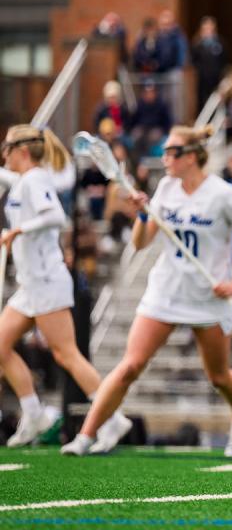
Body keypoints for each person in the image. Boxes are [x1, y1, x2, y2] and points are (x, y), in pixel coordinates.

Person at [62, 126, 232, 457]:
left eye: (171, 152)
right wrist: (144, 215)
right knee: (131, 365)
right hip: (166, 291)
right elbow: (141, 242)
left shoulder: (223, 194)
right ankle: (86, 436)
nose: (165, 159)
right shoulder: (166, 189)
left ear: (191, 157)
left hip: (207, 296)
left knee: (218, 377)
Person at [0, 127, 129, 446]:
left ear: (22, 151)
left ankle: (112, 418)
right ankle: (33, 413)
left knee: (67, 354)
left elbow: (56, 216)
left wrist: (18, 231)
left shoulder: (36, 179)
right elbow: (8, 178)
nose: (3, 153)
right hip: (30, 284)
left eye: (6, 147)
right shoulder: (23, 181)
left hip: (46, 281)